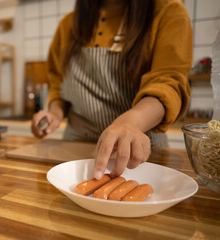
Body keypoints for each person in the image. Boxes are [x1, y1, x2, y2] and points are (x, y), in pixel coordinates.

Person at [31, 0, 192, 180]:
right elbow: (57, 83)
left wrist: (130, 123)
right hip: (74, 153)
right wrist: (55, 114)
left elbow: (168, 83)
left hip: (136, 158)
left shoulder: (168, 11)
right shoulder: (68, 24)